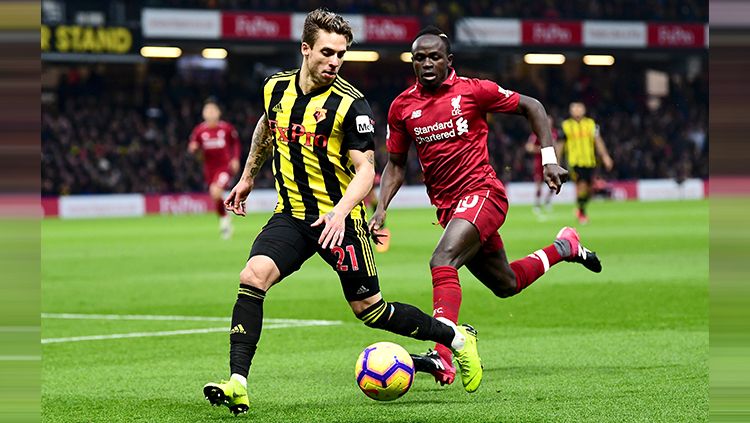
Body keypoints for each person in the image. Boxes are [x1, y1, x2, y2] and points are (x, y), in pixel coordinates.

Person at [203, 10, 481, 416]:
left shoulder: (351, 104)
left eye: (342, 54)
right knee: (252, 277)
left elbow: (367, 168)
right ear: (305, 49)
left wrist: (340, 212)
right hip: (293, 216)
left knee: (372, 311)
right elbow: (266, 127)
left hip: (342, 221)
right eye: (327, 52)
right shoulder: (275, 88)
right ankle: (238, 384)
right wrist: (247, 178)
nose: (335, 61)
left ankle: (457, 340)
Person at [368, 27, 602, 388]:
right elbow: (396, 164)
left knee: (441, 260)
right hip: (450, 209)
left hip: (483, 193)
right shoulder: (402, 107)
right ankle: (564, 247)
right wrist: (381, 207)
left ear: (449, 61)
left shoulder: (474, 91)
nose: (427, 63)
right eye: (419, 57)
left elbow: (532, 107)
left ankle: (443, 352)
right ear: (412, 62)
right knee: (506, 283)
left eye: (434, 57)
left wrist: (549, 158)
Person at [188, 98, 241, 239]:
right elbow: (193, 146)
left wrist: (235, 159)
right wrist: (193, 149)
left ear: (218, 112)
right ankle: (225, 217)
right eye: (207, 111)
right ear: (203, 114)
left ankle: (224, 221)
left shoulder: (226, 128)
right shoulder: (199, 131)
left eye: (213, 110)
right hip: (209, 169)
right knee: (215, 195)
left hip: (224, 167)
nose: (210, 113)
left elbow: (235, 143)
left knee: (215, 191)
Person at [556, 101, 614, 224]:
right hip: (574, 162)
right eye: (574, 108)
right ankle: (582, 213)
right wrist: (556, 162)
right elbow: (560, 145)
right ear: (570, 111)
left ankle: (580, 208)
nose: (577, 110)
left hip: (590, 161)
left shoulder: (591, 124)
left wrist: (605, 157)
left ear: (584, 110)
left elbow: (598, 142)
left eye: (579, 108)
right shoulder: (565, 125)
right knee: (581, 186)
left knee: (589, 190)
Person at [524, 114, 558, 215]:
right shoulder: (537, 133)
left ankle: (547, 201)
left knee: (554, 182)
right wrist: (540, 150)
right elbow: (528, 147)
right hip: (539, 162)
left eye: (550, 121)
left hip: (551, 161)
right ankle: (537, 204)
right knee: (539, 184)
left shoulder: (554, 133)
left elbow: (556, 147)